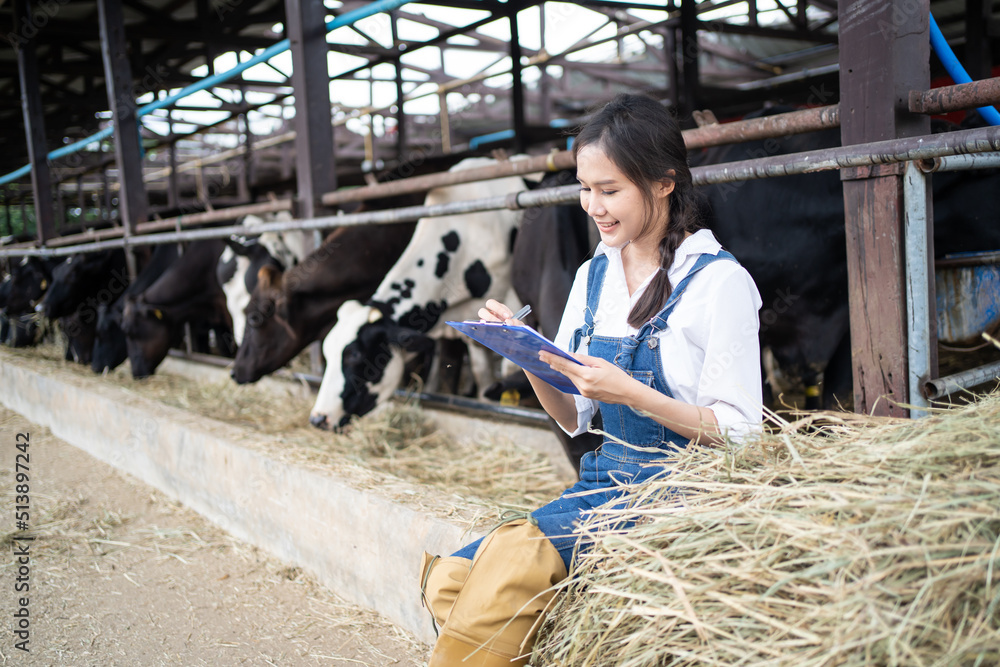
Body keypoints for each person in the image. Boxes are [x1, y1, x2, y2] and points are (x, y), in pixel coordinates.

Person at [419, 93, 763, 666]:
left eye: (610, 190)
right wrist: (531, 358)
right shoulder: (594, 274)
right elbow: (573, 416)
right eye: (585, 188)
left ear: (663, 184)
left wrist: (629, 392)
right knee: (449, 580)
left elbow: (742, 436)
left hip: (681, 490)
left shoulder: (718, 283)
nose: (593, 206)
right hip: (604, 484)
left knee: (511, 563)